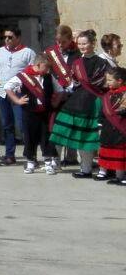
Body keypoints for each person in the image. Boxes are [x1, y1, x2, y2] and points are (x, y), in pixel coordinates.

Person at [52, 29, 109, 179]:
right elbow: (74, 82)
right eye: (80, 44)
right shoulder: (77, 62)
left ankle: (86, 169)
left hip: (92, 101)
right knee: (59, 129)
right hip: (76, 100)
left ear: (92, 44)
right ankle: (53, 161)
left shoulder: (101, 63)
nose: (82, 46)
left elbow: (102, 83)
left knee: (86, 137)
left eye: (85, 43)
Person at [2, 57, 59, 174]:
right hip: (29, 112)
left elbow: (60, 90)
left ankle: (48, 163)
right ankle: (30, 162)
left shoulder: (49, 77)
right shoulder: (23, 76)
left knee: (46, 137)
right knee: (29, 137)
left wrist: (55, 102)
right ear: (38, 64)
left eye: (49, 67)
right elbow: (7, 87)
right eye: (46, 67)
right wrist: (17, 101)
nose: (48, 70)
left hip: (45, 113)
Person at [0, 28, 37, 166]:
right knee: (6, 125)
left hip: (19, 93)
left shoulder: (28, 52)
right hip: (2, 92)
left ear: (18, 37)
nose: (7, 40)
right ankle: (9, 155)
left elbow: (34, 72)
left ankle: (30, 155)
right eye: (5, 37)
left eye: (10, 37)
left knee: (23, 125)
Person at [95, 66, 126, 184]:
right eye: (106, 80)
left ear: (119, 81)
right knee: (106, 149)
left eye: (110, 80)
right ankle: (103, 171)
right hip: (108, 128)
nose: (107, 83)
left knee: (120, 152)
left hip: (121, 127)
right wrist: (100, 122)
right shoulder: (107, 95)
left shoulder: (124, 94)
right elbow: (103, 111)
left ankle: (121, 176)